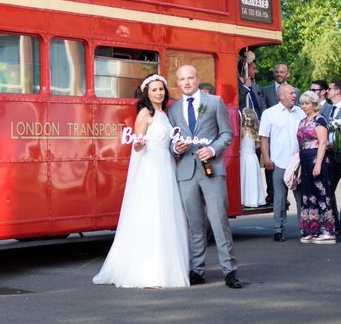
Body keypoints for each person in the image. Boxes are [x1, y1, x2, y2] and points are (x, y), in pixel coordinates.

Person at [94, 74, 191, 288]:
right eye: (154, 90)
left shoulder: (164, 115)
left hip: (166, 164)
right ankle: (149, 272)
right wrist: (138, 143)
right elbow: (138, 145)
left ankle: (168, 268)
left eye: (161, 89)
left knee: (168, 214)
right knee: (152, 214)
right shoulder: (144, 114)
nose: (158, 93)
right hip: (151, 166)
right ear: (147, 92)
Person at [168, 64, 242, 289]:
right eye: (182, 79)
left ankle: (229, 270)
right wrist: (176, 148)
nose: (187, 82)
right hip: (186, 172)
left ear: (197, 79)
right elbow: (172, 140)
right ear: (178, 83)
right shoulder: (172, 109)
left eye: (190, 78)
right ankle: (197, 270)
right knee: (194, 223)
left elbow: (227, 134)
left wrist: (212, 149)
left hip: (212, 168)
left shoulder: (214, 102)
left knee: (219, 220)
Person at [259, 81, 304, 242]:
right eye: (291, 93)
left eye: (294, 93)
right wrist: (266, 158)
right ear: (281, 96)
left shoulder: (301, 112)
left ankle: (304, 227)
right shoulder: (269, 113)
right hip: (279, 161)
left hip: (298, 161)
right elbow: (264, 137)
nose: (294, 95)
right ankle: (278, 229)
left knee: (300, 196)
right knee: (279, 198)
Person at [296, 91, 336, 243]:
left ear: (314, 104)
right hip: (304, 160)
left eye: (307, 103)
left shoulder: (320, 120)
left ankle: (328, 231)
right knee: (308, 195)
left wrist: (318, 163)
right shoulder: (302, 122)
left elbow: (323, 143)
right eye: (302, 103)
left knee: (321, 194)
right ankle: (311, 229)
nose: (304, 106)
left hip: (316, 158)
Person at [325, 78, 341, 235]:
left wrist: (339, 143)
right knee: (328, 190)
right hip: (330, 156)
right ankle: (335, 224)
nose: (327, 91)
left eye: (330, 88)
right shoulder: (327, 109)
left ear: (338, 91)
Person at [238, 108, 265, 208]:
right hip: (253, 157)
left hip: (244, 157)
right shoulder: (253, 131)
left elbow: (238, 143)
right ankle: (255, 199)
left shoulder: (242, 130)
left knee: (245, 179)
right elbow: (257, 146)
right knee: (253, 179)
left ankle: (244, 199)